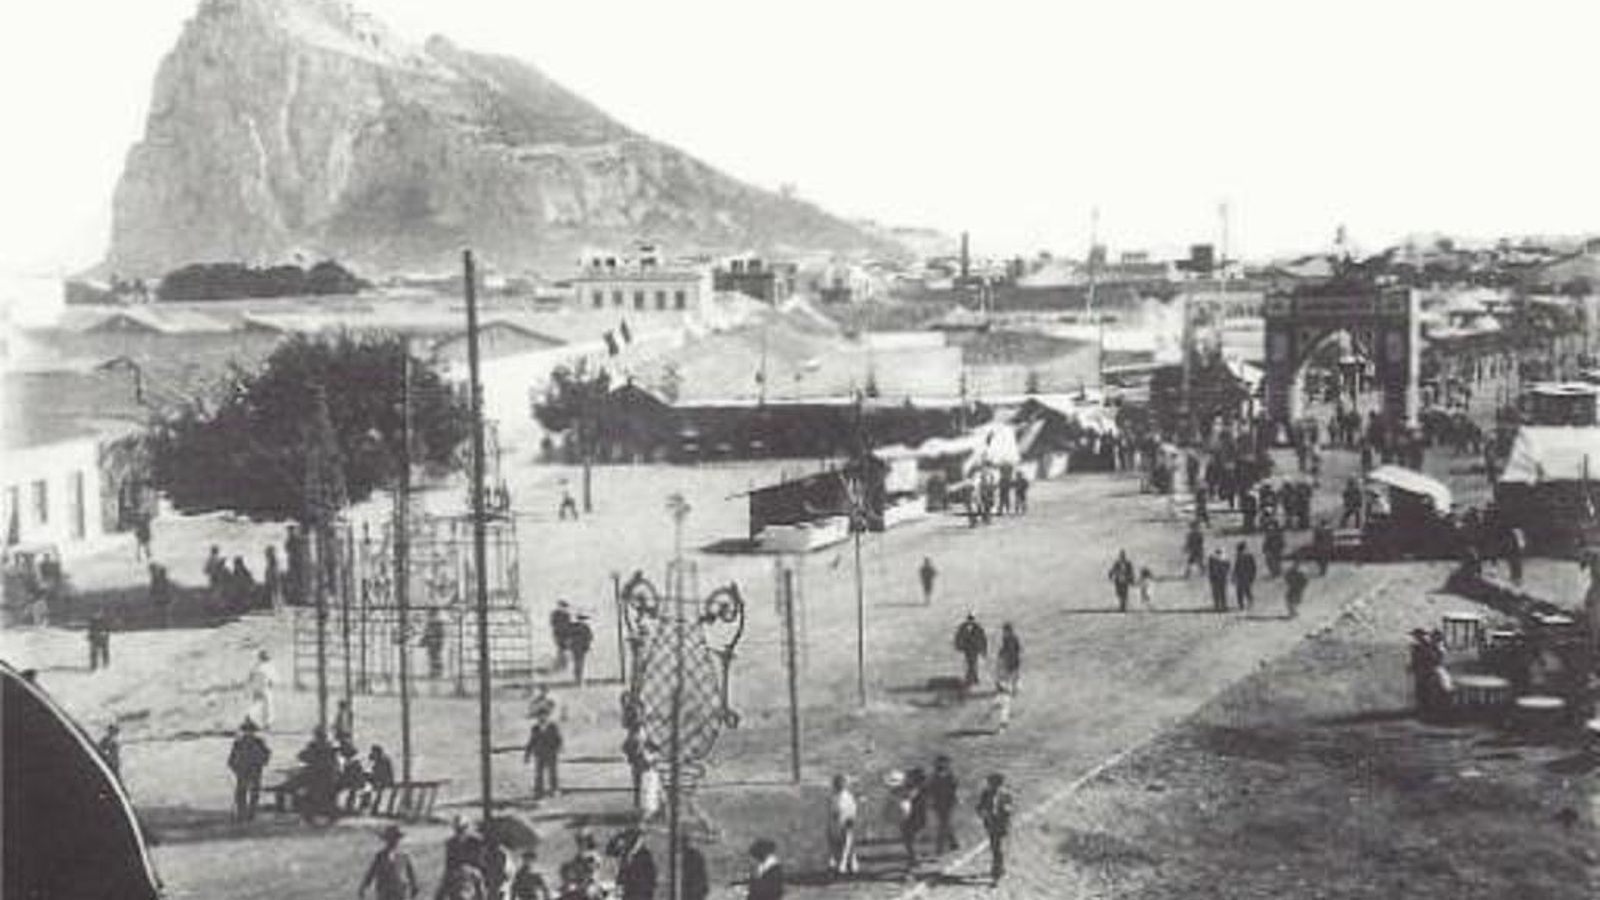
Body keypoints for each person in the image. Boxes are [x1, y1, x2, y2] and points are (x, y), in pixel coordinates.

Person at [227, 718, 271, 822]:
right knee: (241, 792)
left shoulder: (259, 742)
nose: (249, 733)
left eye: (251, 731)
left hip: (255, 769)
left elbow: (267, 754)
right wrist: (235, 768)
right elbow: (231, 758)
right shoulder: (238, 743)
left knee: (254, 792)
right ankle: (241, 813)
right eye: (246, 730)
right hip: (242, 770)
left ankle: (251, 814)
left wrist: (262, 763)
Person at [360, 825, 421, 900]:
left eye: (395, 838)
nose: (393, 841)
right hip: (384, 893)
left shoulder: (404, 856)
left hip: (399, 892)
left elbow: (411, 873)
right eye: (390, 838)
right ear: (386, 840)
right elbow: (371, 873)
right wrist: (364, 886)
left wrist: (414, 886)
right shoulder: (380, 856)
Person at [976, 773, 1015, 887]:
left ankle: (995, 875)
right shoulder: (985, 793)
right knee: (995, 848)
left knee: (998, 848)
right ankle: (1000, 868)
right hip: (991, 825)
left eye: (995, 783)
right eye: (991, 783)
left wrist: (1006, 811)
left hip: (1001, 825)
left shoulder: (1005, 794)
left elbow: (1011, 808)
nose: (993, 785)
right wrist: (982, 813)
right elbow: (979, 807)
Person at [523, 712, 563, 799]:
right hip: (539, 754)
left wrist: (557, 748)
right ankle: (538, 791)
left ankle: (554, 789)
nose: (542, 718)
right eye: (539, 717)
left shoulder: (553, 727)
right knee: (538, 774)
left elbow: (558, 739)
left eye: (544, 716)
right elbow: (531, 741)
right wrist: (527, 755)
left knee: (552, 773)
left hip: (550, 754)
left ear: (547, 717)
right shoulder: (535, 728)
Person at [826, 774, 858, 877]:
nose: (839, 786)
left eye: (842, 783)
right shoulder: (832, 797)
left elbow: (852, 810)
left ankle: (844, 864)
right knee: (834, 843)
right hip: (834, 823)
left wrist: (850, 819)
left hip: (845, 823)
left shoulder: (848, 797)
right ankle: (847, 862)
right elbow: (830, 811)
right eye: (837, 784)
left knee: (847, 842)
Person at [896, 768, 928, 874]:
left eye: (909, 777)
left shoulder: (917, 789)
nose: (907, 779)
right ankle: (913, 860)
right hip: (913, 818)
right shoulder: (919, 788)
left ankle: (914, 860)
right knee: (909, 840)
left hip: (914, 818)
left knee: (910, 840)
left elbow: (908, 796)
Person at [927, 755, 959, 854]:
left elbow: (954, 788)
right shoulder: (934, 777)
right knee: (945, 824)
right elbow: (930, 790)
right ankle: (953, 842)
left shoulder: (950, 776)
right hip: (939, 803)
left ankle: (940, 847)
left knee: (943, 825)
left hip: (948, 803)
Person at [613, 828, 657, 900]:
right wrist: (619, 884)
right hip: (628, 894)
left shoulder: (645, 855)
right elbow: (621, 872)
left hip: (640, 894)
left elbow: (650, 878)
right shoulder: (626, 854)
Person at [953, 614, 987, 688]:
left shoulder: (978, 628)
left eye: (971, 621)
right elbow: (958, 637)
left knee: (973, 663)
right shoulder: (963, 628)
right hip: (967, 649)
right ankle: (972, 678)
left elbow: (982, 638)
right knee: (969, 663)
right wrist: (958, 646)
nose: (970, 622)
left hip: (974, 649)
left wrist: (983, 649)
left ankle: (972, 678)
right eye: (969, 621)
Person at [248, 649, 278, 729]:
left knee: (256, 705)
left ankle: (251, 718)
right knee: (268, 706)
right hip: (265, 688)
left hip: (257, 688)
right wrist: (271, 685)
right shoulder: (269, 666)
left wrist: (252, 685)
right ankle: (267, 724)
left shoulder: (256, 665)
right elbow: (272, 680)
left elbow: (250, 677)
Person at [638, 741, 664, 822]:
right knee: (648, 796)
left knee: (653, 795)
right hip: (648, 775)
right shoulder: (647, 755)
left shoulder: (654, 755)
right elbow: (647, 762)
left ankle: (653, 814)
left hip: (652, 775)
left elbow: (649, 762)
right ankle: (649, 815)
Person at [995, 623, 1021, 695]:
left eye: (1005, 631)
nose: (1004, 633)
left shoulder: (1012, 639)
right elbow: (1005, 648)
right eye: (1004, 631)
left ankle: (1013, 689)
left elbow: (1015, 649)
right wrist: (1001, 653)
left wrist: (1004, 654)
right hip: (1009, 660)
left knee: (1012, 675)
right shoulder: (1006, 639)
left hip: (1013, 660)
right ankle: (1003, 686)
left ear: (1009, 631)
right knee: (1006, 673)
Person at [568, 615, 594, 686]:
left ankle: (577, 679)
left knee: (576, 663)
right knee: (580, 664)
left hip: (575, 648)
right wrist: (587, 646)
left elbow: (569, 637)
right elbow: (589, 638)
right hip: (581, 648)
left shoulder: (573, 627)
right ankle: (580, 680)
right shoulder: (585, 628)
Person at [422, 610, 447, 679]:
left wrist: (425, 639)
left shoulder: (435, 623)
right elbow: (427, 633)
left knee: (435, 657)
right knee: (434, 657)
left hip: (435, 643)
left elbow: (440, 634)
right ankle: (435, 672)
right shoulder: (436, 623)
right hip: (433, 643)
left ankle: (437, 672)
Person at [549, 601, 573, 672]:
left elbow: (569, 625)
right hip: (558, 635)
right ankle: (559, 666)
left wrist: (569, 635)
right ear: (559, 606)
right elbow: (553, 624)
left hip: (565, 635)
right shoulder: (555, 614)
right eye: (563, 607)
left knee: (563, 650)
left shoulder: (567, 615)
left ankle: (561, 666)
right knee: (561, 649)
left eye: (565, 607)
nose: (564, 609)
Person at [1233, 543, 1257, 611]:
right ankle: (1241, 605)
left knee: (1247, 591)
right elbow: (1236, 566)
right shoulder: (1238, 556)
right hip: (1240, 577)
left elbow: (1253, 567)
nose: (1239, 552)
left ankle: (1250, 603)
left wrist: (1252, 576)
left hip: (1246, 577)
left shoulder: (1249, 556)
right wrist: (1234, 575)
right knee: (1240, 591)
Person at [150, 562, 175, 628]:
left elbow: (153, 591)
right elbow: (152, 591)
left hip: (163, 601)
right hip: (160, 601)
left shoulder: (162, 581)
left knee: (164, 616)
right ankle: (163, 626)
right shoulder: (156, 581)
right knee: (161, 616)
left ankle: (165, 626)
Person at [1206, 548, 1231, 613]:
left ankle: (1218, 605)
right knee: (1222, 593)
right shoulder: (1225, 559)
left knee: (1217, 593)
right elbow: (1228, 568)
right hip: (1221, 578)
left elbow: (1210, 568)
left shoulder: (1212, 559)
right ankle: (1223, 605)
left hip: (1216, 578)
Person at [263, 546, 283, 610]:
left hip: (274, 577)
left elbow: (273, 570)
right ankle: (277, 605)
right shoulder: (274, 562)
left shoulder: (273, 562)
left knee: (275, 592)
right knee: (276, 592)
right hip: (274, 577)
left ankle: (277, 606)